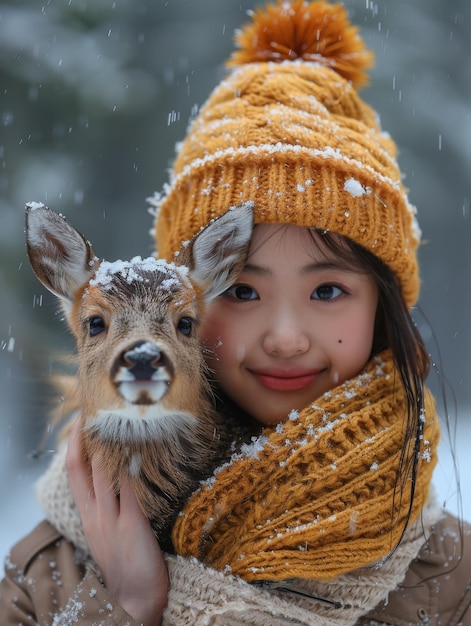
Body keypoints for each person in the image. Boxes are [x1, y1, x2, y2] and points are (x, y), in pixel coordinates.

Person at [1, 0, 470, 624]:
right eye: (242, 292)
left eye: (327, 290)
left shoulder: (451, 577)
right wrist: (128, 603)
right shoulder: (50, 573)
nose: (283, 337)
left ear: (381, 309)